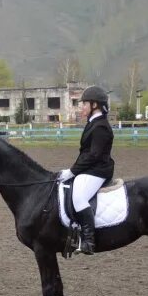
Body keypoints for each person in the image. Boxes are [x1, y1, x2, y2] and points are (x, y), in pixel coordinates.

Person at [57, 85, 115, 256]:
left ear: (94, 105)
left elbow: (93, 155)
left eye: (84, 104)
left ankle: (89, 240)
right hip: (91, 169)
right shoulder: (94, 123)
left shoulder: (100, 127)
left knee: (79, 197)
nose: (81, 107)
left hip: (99, 170)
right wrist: (72, 170)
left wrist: (73, 171)